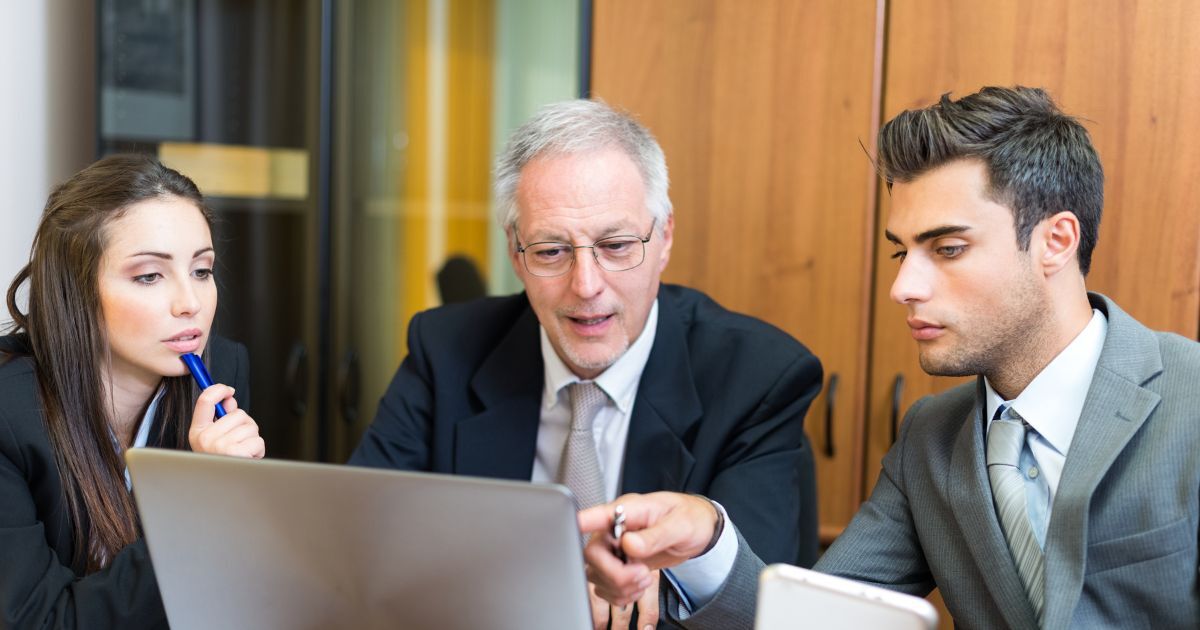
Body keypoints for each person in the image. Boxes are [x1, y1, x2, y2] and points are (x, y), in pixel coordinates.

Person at [580, 86, 1200, 629]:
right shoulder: (930, 439)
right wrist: (708, 542)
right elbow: (815, 624)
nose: (904, 288)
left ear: (1055, 242)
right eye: (903, 253)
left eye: (949, 248)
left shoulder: (1190, 398)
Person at [348, 99, 823, 628]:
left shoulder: (756, 376)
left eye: (616, 245)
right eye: (551, 251)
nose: (587, 286)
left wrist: (679, 568)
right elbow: (364, 542)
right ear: (515, 252)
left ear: (663, 237)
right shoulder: (447, 350)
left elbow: (757, 610)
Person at [0, 154, 266, 628]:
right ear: (75, 290)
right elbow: (38, 622)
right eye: (149, 276)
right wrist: (202, 500)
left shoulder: (223, 368)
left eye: (202, 271)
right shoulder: (7, 409)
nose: (191, 304)